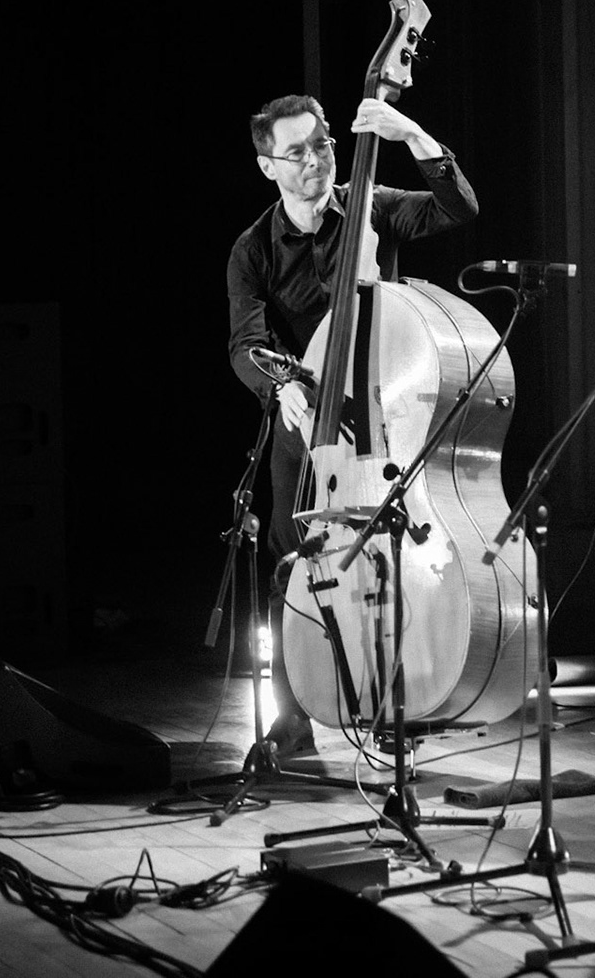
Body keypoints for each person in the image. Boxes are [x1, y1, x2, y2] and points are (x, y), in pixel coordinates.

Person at [225, 93, 480, 756]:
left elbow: (459, 208)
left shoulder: (375, 205)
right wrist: (281, 387)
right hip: (302, 417)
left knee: (395, 549)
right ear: (266, 166)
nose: (314, 161)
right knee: (293, 560)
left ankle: (401, 694)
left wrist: (412, 134)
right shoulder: (252, 249)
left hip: (383, 412)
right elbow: (243, 343)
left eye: (322, 144)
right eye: (296, 153)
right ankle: (295, 715)